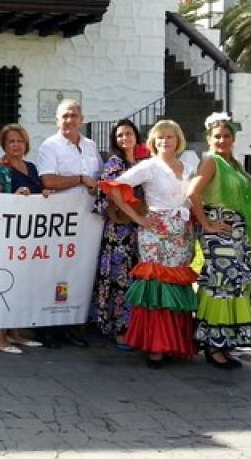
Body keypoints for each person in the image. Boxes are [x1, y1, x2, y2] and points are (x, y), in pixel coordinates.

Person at [102, 120, 198, 369]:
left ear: (178, 140)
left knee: (176, 285)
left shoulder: (189, 167)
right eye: (160, 137)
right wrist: (137, 218)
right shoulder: (149, 166)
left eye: (170, 136)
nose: (165, 141)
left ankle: (174, 343)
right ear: (153, 142)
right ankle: (156, 346)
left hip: (182, 232)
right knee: (156, 287)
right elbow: (114, 188)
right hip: (155, 232)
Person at [188, 112, 251, 369]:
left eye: (226, 136)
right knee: (221, 283)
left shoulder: (232, 163)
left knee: (235, 284)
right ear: (209, 139)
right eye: (217, 136)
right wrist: (207, 223)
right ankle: (213, 345)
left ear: (233, 138)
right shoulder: (211, 161)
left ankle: (225, 341)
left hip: (237, 235)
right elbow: (192, 193)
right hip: (220, 233)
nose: (222, 140)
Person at [36, 98, 103, 348]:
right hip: (60, 222)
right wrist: (80, 179)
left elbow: (99, 177)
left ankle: (70, 326)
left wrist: (96, 185)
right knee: (55, 271)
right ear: (57, 120)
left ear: (81, 119)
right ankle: (47, 329)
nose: (69, 120)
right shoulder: (50, 146)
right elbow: (48, 181)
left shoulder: (91, 146)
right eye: (64, 115)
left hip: (88, 222)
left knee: (78, 273)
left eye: (74, 115)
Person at [0, 124, 49, 354]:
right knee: (4, 284)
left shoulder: (31, 167)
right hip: (5, 237)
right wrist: (13, 197)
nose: (16, 145)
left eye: (20, 141)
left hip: (28, 236)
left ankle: (15, 332)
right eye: (11, 141)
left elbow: (37, 193)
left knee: (21, 284)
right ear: (4, 145)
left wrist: (44, 195)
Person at [90, 119, 149, 349]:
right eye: (120, 135)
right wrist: (134, 216)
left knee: (136, 277)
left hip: (140, 230)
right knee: (119, 279)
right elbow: (109, 193)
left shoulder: (144, 162)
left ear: (136, 136)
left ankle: (135, 327)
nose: (124, 138)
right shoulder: (114, 163)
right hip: (120, 230)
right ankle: (119, 328)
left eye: (128, 133)